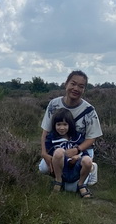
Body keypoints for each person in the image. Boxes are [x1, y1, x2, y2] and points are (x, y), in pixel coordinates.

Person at [40, 70, 102, 198]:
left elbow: (92, 138)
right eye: (73, 84)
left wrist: (76, 150)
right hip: (58, 147)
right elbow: (45, 131)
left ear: (84, 89)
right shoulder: (53, 104)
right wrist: (44, 153)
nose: (76, 88)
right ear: (66, 84)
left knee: (71, 190)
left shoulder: (89, 110)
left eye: (81, 86)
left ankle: (89, 168)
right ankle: (60, 178)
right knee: (43, 168)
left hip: (81, 150)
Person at [44, 109, 86, 192]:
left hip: (74, 168)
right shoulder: (51, 137)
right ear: (54, 125)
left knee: (71, 189)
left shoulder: (77, 137)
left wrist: (77, 156)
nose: (62, 128)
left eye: (65, 124)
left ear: (70, 125)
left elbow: (84, 152)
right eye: (58, 124)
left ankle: (88, 176)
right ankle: (58, 181)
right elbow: (49, 152)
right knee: (44, 165)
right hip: (60, 165)